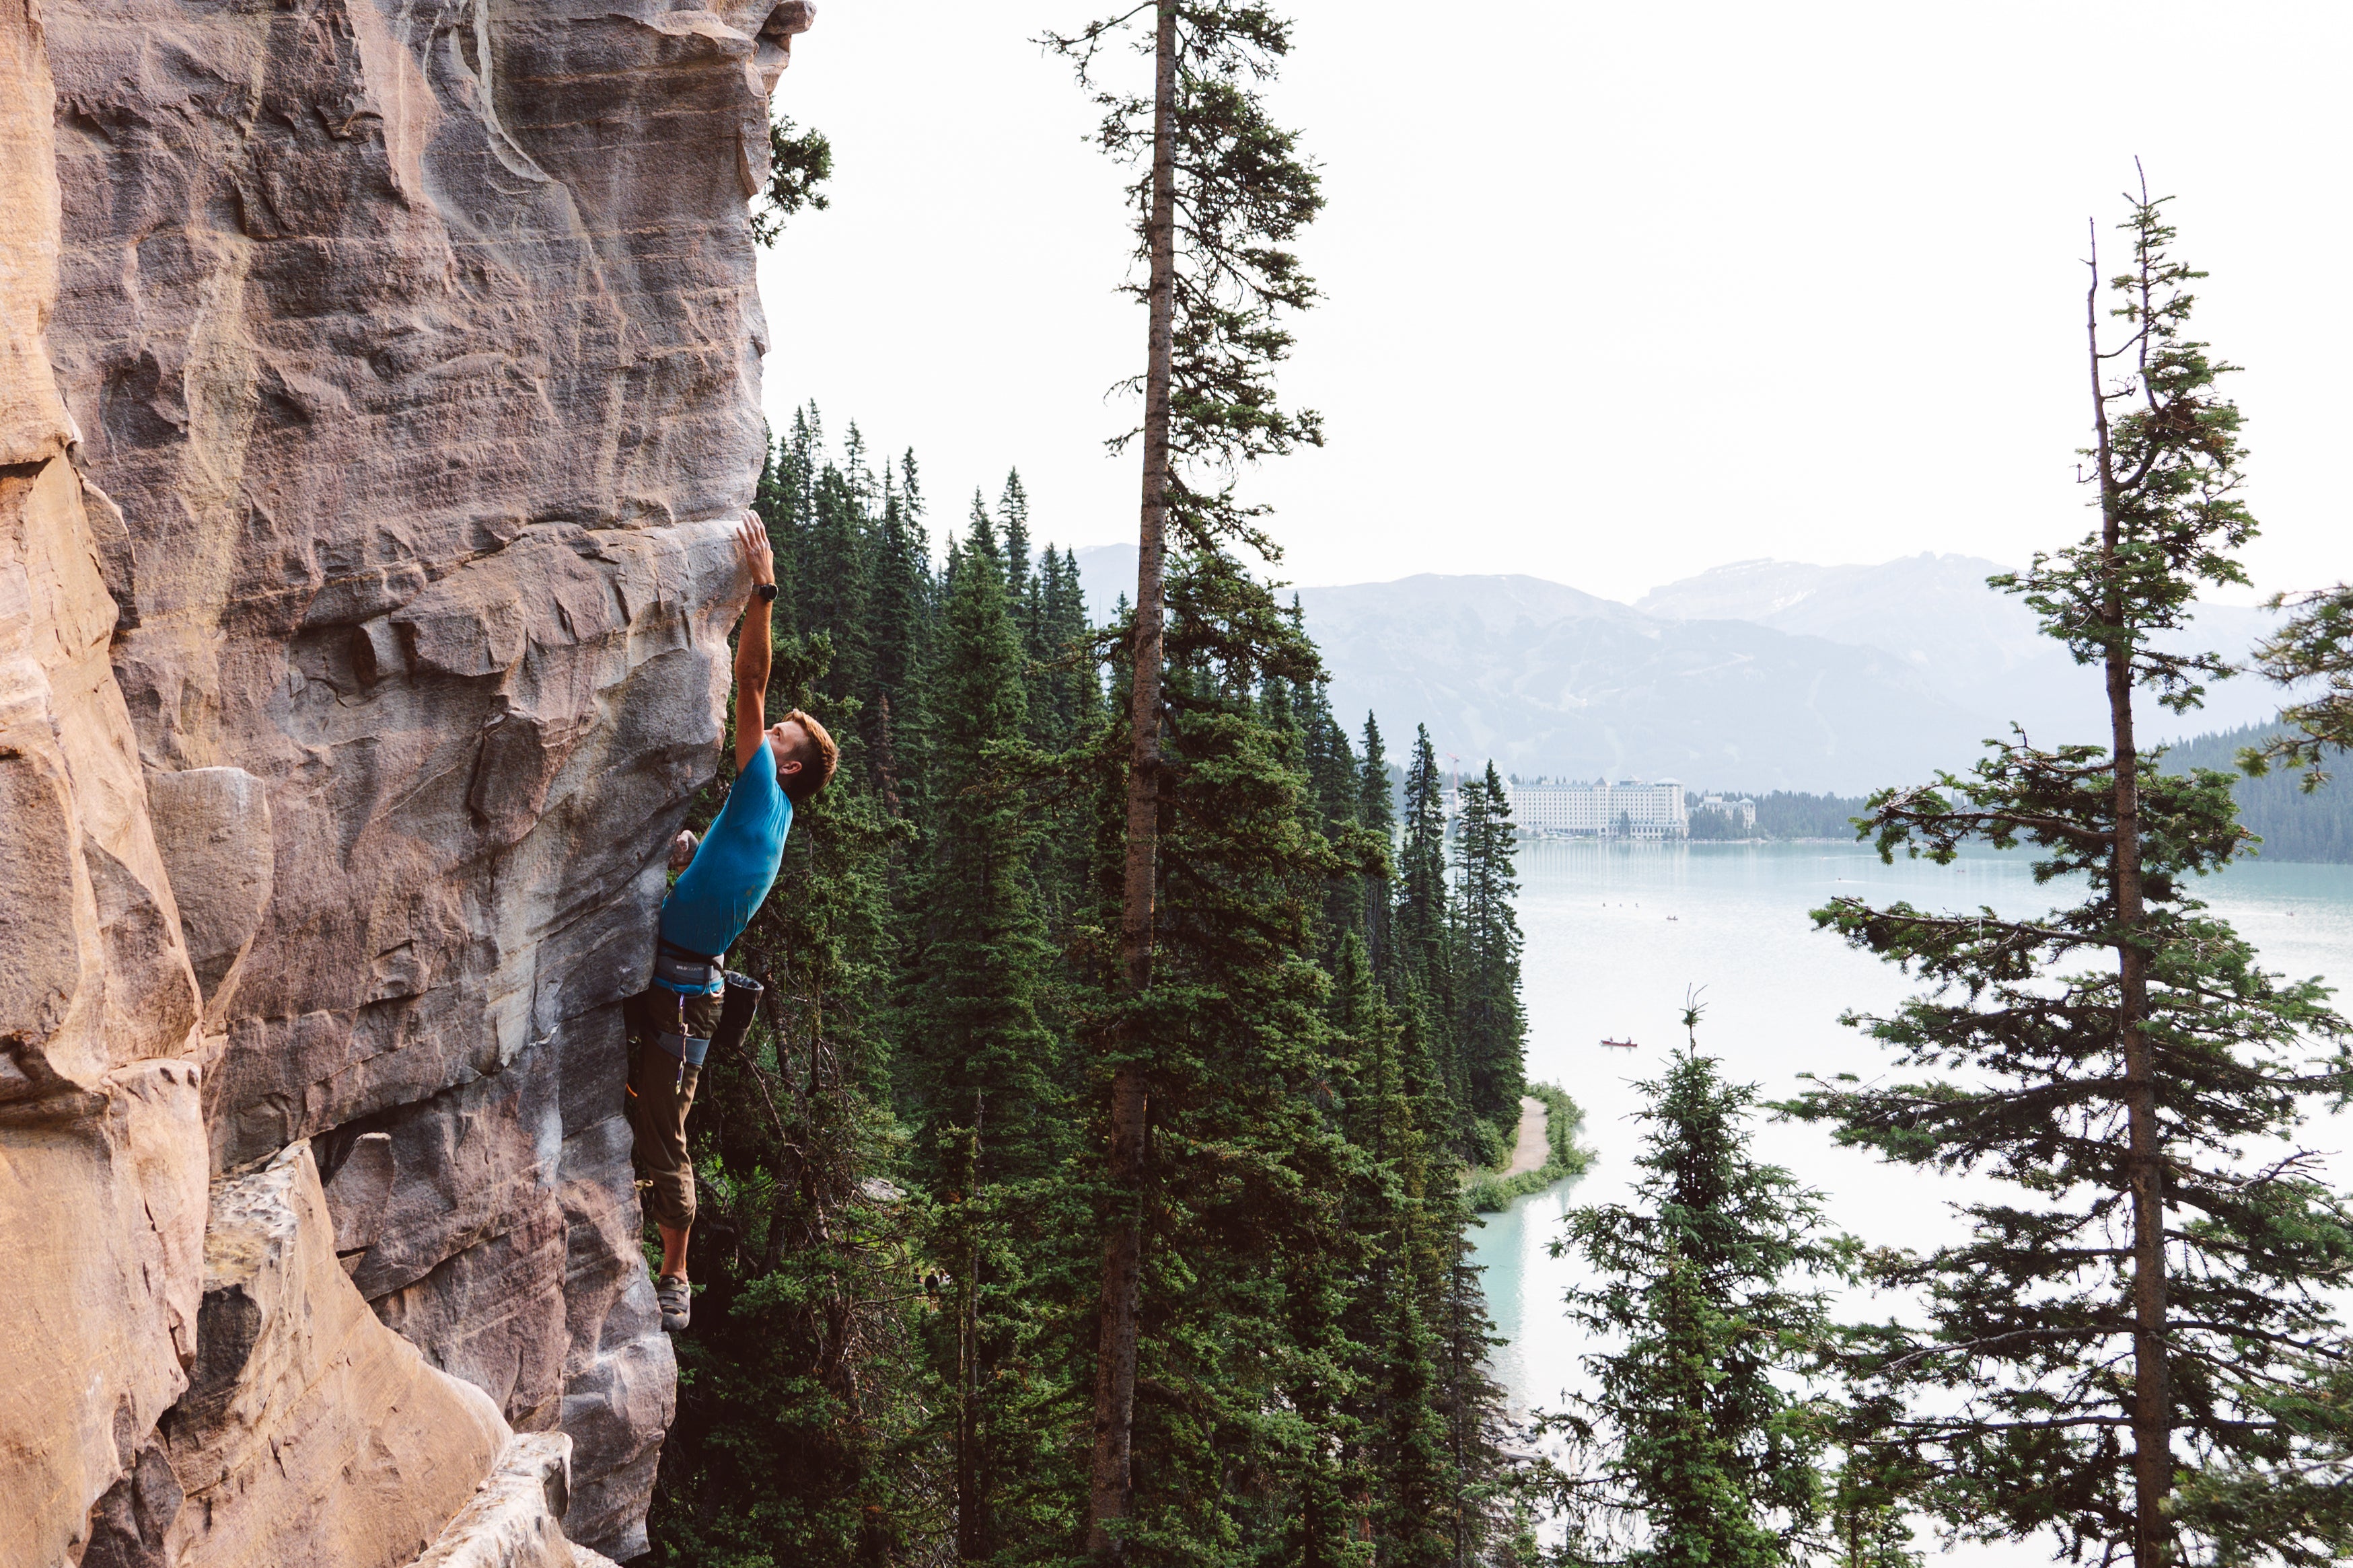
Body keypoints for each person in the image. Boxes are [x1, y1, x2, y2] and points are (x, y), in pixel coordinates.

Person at [624, 513, 836, 1333]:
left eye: (777, 733)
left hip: (684, 993)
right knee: (648, 1109)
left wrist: (764, 589)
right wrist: (686, 851)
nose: (762, 722)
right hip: (683, 980)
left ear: (784, 762)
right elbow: (722, 867)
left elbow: (748, 681)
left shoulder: (764, 788)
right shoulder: (764, 811)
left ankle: (676, 1278)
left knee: (664, 1134)